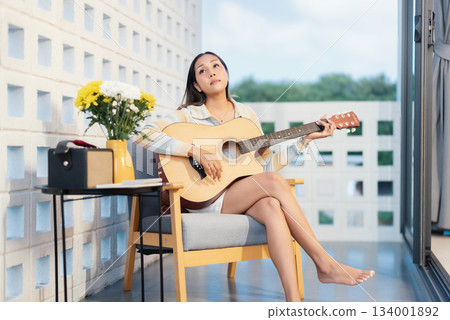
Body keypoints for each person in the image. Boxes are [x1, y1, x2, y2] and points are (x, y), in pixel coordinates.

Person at [135, 51, 375, 302]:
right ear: (197, 84)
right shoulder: (188, 115)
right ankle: (324, 264)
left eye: (216, 66)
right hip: (204, 197)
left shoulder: (247, 118)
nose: (211, 72)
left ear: (226, 73)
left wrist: (305, 141)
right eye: (202, 70)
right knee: (273, 185)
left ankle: (293, 301)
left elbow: (265, 166)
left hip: (241, 193)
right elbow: (142, 133)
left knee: (272, 205)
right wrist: (193, 150)